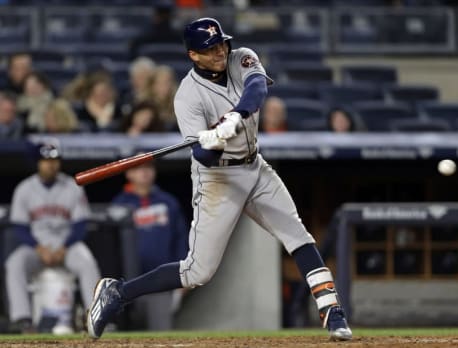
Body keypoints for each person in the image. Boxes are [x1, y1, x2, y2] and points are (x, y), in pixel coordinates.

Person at [87, 18, 352, 341]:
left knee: (297, 235)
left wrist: (235, 117)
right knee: (198, 271)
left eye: (221, 44)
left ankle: (333, 313)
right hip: (218, 178)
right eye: (209, 49)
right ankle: (118, 293)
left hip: (255, 167)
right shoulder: (187, 97)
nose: (219, 52)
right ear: (193, 55)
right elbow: (202, 157)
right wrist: (212, 142)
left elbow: (256, 89)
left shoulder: (240, 57)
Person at [5, 141, 100, 333]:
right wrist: (39, 248)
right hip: (37, 245)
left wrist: (65, 247)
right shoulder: (24, 188)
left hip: (67, 244)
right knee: (14, 263)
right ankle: (21, 318)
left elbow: (81, 225)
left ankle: (97, 314)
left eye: (55, 160)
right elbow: (20, 227)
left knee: (87, 262)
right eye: (46, 160)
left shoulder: (73, 186)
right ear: (37, 163)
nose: (51, 164)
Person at [112, 161, 188, 330]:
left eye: (148, 167)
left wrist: (184, 274)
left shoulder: (168, 202)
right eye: (138, 168)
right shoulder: (118, 205)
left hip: (160, 283)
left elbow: (181, 239)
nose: (144, 172)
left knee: (161, 333)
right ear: (128, 173)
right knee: (125, 334)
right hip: (127, 282)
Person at [148, 65, 178, 131]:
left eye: (166, 83)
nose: (163, 87)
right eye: (159, 83)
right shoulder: (144, 105)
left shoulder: (180, 104)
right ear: (152, 85)